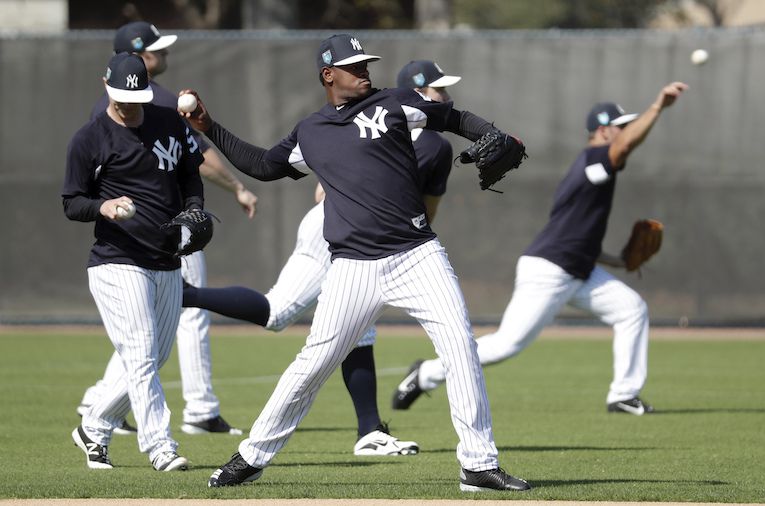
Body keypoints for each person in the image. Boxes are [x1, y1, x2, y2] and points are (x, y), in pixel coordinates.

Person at [182, 34, 531, 492]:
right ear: (328, 75)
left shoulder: (394, 103)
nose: (364, 69)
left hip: (417, 254)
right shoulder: (311, 132)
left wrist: (491, 133)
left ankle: (478, 465)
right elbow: (264, 165)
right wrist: (210, 127)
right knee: (314, 363)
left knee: (460, 349)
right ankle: (251, 456)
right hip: (352, 267)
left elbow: (452, 116)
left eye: (366, 62)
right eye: (354, 65)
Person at [179, 59, 461, 456]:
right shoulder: (431, 143)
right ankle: (183, 294)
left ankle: (369, 431)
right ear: (415, 95)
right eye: (438, 90)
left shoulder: (373, 123)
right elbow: (424, 212)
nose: (445, 96)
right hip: (344, 233)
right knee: (286, 315)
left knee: (353, 328)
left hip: (347, 228)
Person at [392, 82, 688, 416]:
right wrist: (658, 107)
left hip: (579, 270)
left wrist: (618, 261)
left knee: (632, 309)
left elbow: (578, 238)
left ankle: (623, 395)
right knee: (507, 344)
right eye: (620, 127)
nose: (625, 133)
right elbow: (624, 147)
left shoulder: (598, 170)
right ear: (603, 131)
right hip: (549, 270)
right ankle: (427, 373)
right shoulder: (595, 159)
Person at [77, 21, 258, 436]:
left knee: (142, 332)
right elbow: (201, 158)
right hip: (161, 230)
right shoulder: (156, 101)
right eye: (156, 49)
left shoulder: (110, 105)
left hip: (134, 232)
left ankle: (102, 402)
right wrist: (238, 188)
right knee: (177, 318)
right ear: (138, 57)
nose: (166, 54)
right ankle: (196, 408)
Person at [64, 53, 206, 471]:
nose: (129, 105)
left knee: (154, 358)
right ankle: (160, 445)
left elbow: (190, 175)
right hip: (116, 260)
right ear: (105, 86)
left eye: (136, 96)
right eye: (122, 96)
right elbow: (72, 203)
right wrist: (103, 207)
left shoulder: (168, 121)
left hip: (165, 258)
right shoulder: (89, 139)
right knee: (142, 352)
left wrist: (193, 212)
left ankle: (94, 423)